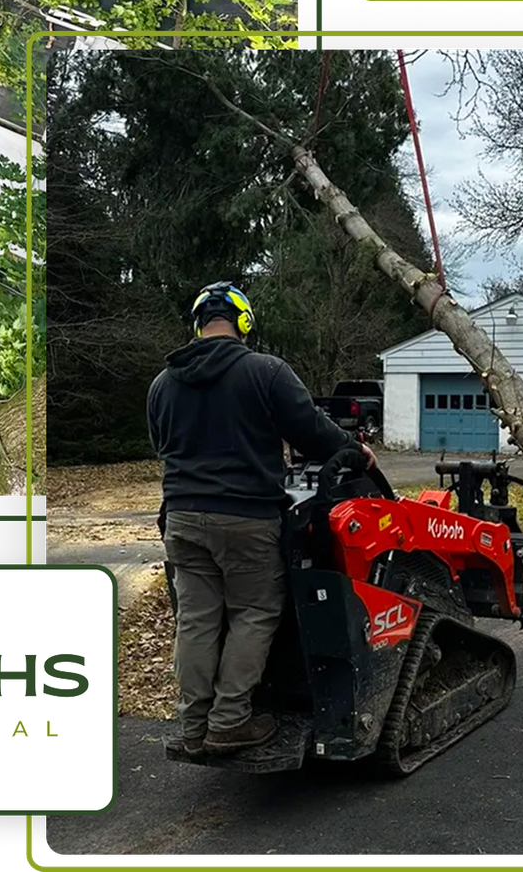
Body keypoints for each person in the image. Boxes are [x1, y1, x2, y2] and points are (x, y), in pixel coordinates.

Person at [147, 280, 367, 755]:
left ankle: (193, 726)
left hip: (182, 519)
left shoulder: (163, 383)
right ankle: (230, 722)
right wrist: (356, 452)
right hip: (245, 518)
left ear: (198, 322)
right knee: (254, 612)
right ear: (244, 322)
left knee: (197, 621)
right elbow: (313, 434)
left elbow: (161, 445)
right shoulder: (265, 372)